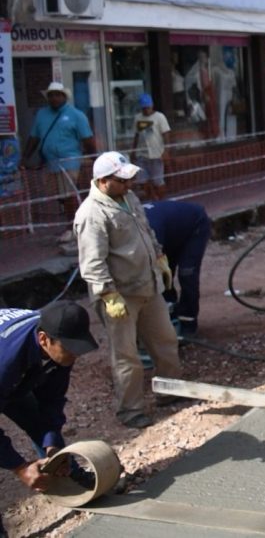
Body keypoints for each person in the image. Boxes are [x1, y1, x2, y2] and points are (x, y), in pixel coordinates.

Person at [74, 151, 180, 429]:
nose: (128, 184)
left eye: (129, 179)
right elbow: (92, 262)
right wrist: (108, 294)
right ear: (103, 181)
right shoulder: (91, 214)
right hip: (120, 295)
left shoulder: (129, 198)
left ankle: (170, 391)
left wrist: (159, 257)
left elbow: (146, 231)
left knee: (165, 340)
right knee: (126, 356)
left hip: (148, 285)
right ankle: (131, 411)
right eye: (121, 181)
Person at [0, 301, 98, 523]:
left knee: (39, 422)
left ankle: (69, 478)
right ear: (44, 339)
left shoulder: (59, 339)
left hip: (11, 375)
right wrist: (20, 468)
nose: (75, 355)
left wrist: (53, 446)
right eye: (70, 348)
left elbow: (51, 400)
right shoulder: (5, 362)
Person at [20, 82, 96, 234]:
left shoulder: (76, 115)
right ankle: (76, 220)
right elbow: (34, 137)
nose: (54, 98)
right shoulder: (41, 114)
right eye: (51, 95)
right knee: (57, 195)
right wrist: (25, 157)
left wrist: (94, 157)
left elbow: (87, 139)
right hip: (50, 162)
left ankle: (72, 228)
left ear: (64, 97)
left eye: (57, 95)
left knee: (68, 195)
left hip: (69, 161)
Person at [143, 200, 211, 337]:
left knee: (187, 273)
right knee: (165, 275)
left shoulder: (150, 229)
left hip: (194, 225)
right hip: (171, 231)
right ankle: (170, 315)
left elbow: (152, 267)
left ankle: (188, 323)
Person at [131, 94, 172, 200]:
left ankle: (161, 200)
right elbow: (136, 135)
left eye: (148, 108)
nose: (146, 110)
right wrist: (133, 151)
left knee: (158, 181)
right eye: (144, 108)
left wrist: (166, 151)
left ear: (152, 106)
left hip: (156, 154)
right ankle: (151, 199)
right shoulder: (138, 118)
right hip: (142, 154)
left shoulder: (159, 117)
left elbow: (166, 134)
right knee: (142, 181)